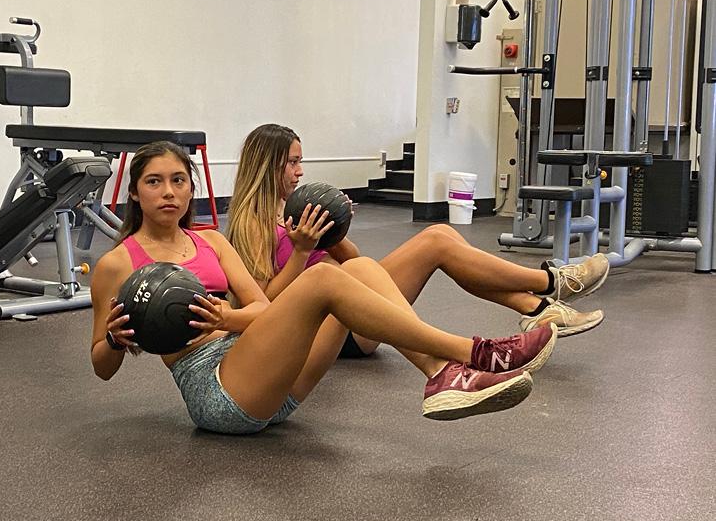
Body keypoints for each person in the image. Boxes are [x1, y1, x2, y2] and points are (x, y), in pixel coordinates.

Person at [90, 141, 558, 434]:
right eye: (154, 182)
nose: (168, 192)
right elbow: (102, 368)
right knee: (323, 277)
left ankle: (441, 372)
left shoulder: (210, 240)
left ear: (190, 190)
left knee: (358, 270)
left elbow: (260, 307)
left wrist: (227, 318)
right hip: (217, 392)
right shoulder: (117, 264)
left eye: (178, 181)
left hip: (266, 369)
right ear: (135, 193)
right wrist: (113, 339)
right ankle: (471, 352)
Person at [226, 124, 608, 360]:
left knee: (439, 234)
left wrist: (335, 233)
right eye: (292, 162)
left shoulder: (288, 212)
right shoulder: (250, 223)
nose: (300, 171)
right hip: (328, 333)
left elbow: (355, 262)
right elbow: (266, 303)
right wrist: (304, 251)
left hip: (349, 306)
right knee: (436, 243)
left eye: (300, 161)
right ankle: (551, 282)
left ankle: (539, 305)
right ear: (268, 164)